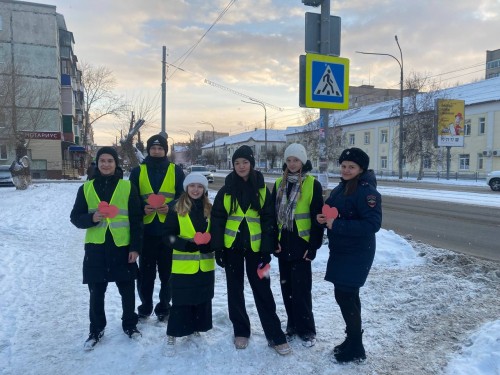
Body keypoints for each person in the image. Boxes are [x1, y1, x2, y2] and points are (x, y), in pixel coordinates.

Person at [211, 145, 291, 355]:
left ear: (252, 164)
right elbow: (218, 219)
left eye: (245, 162)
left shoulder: (264, 189)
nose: (241, 166)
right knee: (234, 290)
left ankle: (274, 334)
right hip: (232, 249)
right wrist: (218, 248)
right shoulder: (226, 189)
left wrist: (267, 249)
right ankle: (241, 331)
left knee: (263, 290)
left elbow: (269, 220)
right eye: (237, 163)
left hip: (258, 251)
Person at [70, 146, 143, 350]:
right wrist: (91, 218)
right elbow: (75, 217)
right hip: (96, 248)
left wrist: (135, 248)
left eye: (110, 161)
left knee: (127, 290)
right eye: (102, 160)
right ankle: (96, 330)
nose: (106, 164)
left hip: (122, 246)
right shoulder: (86, 188)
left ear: (116, 164)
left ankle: (130, 325)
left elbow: (137, 220)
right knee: (96, 292)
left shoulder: (127, 187)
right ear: (97, 163)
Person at [316, 147, 382, 363]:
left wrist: (338, 224)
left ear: (361, 168)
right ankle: (353, 340)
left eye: (351, 167)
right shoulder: (343, 186)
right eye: (343, 166)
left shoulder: (367, 192)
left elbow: (372, 224)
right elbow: (335, 210)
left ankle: (356, 347)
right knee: (349, 296)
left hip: (357, 252)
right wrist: (324, 218)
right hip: (343, 250)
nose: (345, 170)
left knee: (345, 296)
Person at [272, 143, 324, 347]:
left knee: (302, 291)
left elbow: (317, 219)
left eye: (296, 160)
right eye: (289, 160)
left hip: (301, 244)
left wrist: (313, 247)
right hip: (283, 243)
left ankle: (307, 329)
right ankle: (292, 325)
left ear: (303, 161)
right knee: (287, 289)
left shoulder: (312, 184)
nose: (292, 164)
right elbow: (272, 215)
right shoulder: (278, 184)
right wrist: (273, 241)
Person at [129, 134, 185, 322]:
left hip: (168, 232)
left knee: (167, 274)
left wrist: (170, 207)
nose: (156, 151)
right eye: (153, 148)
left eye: (160, 148)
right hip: (146, 232)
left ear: (165, 150)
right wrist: (141, 208)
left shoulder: (175, 171)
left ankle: (164, 307)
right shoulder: (138, 171)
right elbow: (131, 199)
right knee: (146, 274)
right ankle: (145, 307)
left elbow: (183, 197)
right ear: (148, 150)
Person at [162, 173, 215, 353]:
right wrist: (186, 245)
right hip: (183, 265)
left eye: (199, 186)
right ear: (186, 188)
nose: (195, 189)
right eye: (192, 186)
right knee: (181, 301)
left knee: (201, 298)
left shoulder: (210, 208)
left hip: (205, 265)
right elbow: (167, 236)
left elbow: (215, 233)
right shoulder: (175, 208)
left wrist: (210, 244)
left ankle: (195, 328)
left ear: (204, 189)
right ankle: (173, 332)